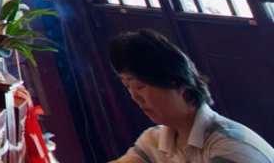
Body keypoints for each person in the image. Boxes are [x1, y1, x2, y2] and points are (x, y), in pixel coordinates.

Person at [110, 30, 274, 163]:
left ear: (178, 85)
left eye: (140, 86)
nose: (134, 97)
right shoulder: (154, 140)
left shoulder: (229, 146)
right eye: (127, 86)